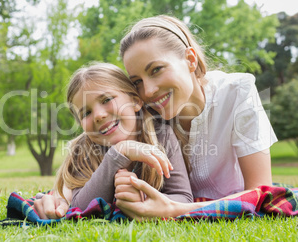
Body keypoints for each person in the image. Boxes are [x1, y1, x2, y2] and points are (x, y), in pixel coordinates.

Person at [114, 15, 278, 220]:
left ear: (190, 60)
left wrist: (173, 210)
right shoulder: (144, 116)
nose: (148, 91)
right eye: (137, 81)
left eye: (156, 70)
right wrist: (63, 192)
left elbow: (262, 194)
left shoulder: (237, 92)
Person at [33, 62, 193, 219]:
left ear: (135, 101)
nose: (98, 115)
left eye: (106, 100)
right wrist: (117, 154)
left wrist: (143, 200)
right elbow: (79, 208)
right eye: (86, 113)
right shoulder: (84, 150)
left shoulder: (161, 135)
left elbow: (184, 198)